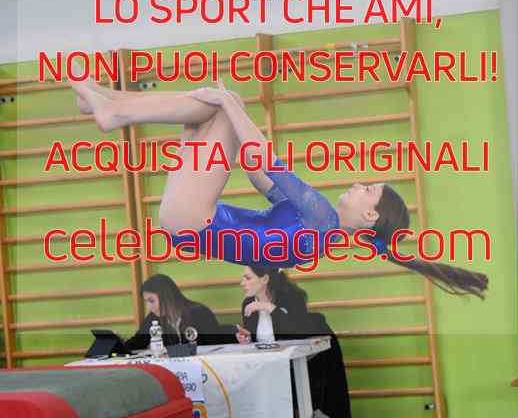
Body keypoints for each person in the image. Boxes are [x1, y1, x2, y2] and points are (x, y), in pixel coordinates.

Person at [71, 80, 488, 298]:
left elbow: (263, 157)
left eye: (368, 189)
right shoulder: (319, 229)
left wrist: (231, 104)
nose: (357, 184)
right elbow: (260, 175)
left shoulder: (321, 218)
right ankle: (110, 101)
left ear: (370, 215)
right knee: (214, 110)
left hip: (196, 218)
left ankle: (114, 108)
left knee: (225, 103)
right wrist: (231, 114)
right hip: (190, 221)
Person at [236, 264, 351, 418]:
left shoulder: (292, 298)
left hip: (302, 365)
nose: (242, 282)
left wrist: (268, 307)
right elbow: (258, 341)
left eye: (248, 278)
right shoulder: (248, 303)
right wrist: (247, 339)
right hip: (272, 366)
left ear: (265, 279)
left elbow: (297, 332)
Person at [124, 273, 225, 351]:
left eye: (151, 301)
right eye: (146, 302)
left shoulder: (200, 313)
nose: (149, 307)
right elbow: (137, 342)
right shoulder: (153, 318)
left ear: (167, 297)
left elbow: (216, 347)